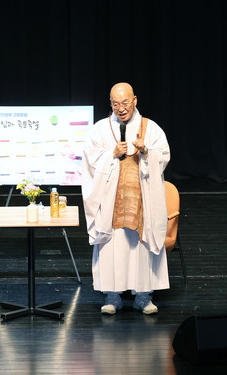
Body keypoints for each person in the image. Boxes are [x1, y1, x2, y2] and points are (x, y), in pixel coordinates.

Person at [82, 81, 171, 315]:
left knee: (141, 250)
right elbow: (89, 162)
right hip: (111, 201)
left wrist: (146, 152)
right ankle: (112, 297)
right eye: (115, 104)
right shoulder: (100, 129)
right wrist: (111, 154)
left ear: (135, 100)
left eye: (125, 103)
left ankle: (144, 297)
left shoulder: (150, 128)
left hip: (141, 201)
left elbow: (163, 157)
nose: (121, 108)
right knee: (113, 248)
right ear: (110, 104)